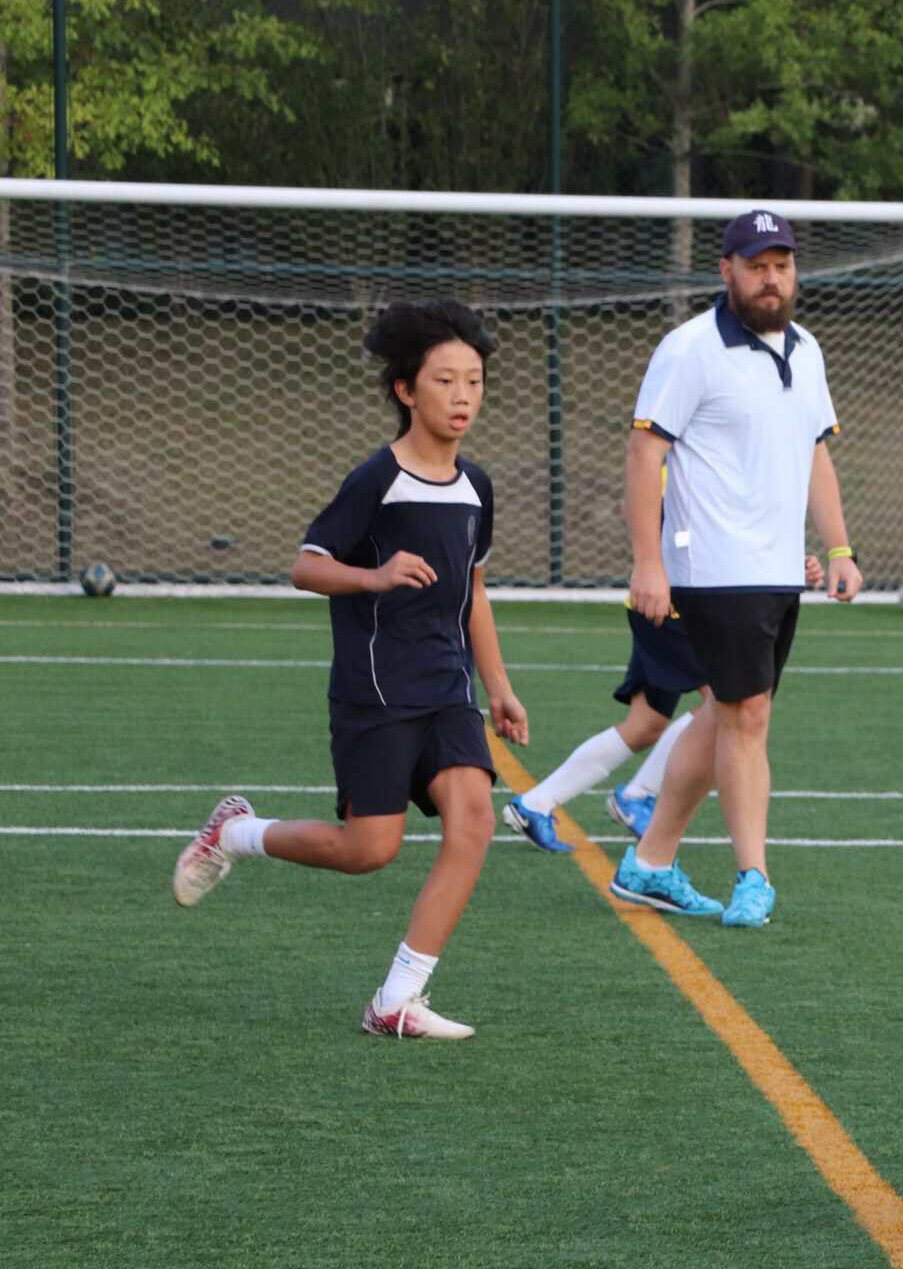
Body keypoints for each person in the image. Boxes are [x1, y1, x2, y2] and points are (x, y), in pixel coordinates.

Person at [171, 301, 528, 1041]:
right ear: (406, 390)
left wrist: (498, 686)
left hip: (447, 688)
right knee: (370, 849)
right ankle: (236, 833)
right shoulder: (376, 479)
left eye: (475, 381)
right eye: (445, 381)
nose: (463, 397)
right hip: (376, 690)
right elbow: (307, 565)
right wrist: (375, 576)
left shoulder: (477, 487)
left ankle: (398, 997)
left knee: (474, 820)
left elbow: (476, 591)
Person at [607, 210, 860, 927]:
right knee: (748, 717)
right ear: (726, 270)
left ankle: (648, 862)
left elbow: (815, 451)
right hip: (711, 567)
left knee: (724, 712)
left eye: (781, 263)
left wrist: (838, 548)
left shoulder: (806, 349)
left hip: (777, 570)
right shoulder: (690, 349)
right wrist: (648, 562)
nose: (771, 277)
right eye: (756, 264)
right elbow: (644, 455)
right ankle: (754, 874)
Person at [501, 552, 822, 852]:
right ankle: (637, 796)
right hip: (675, 604)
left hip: (677, 601)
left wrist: (788, 558)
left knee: (646, 724)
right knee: (726, 707)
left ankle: (535, 804)